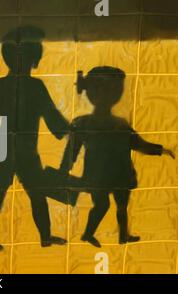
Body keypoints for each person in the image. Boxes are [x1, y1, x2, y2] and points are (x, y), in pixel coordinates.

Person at [0, 26, 75, 251]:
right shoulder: (34, 87)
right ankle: (43, 237)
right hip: (24, 152)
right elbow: (54, 119)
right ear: (34, 58)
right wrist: (70, 130)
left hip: (5, 151)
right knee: (33, 196)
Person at [59, 67, 175, 248]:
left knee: (119, 206)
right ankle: (89, 234)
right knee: (103, 206)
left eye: (114, 91)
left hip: (117, 173)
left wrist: (160, 150)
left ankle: (122, 235)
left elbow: (137, 143)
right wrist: (63, 170)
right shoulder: (86, 123)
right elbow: (72, 150)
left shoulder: (115, 124)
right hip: (104, 175)